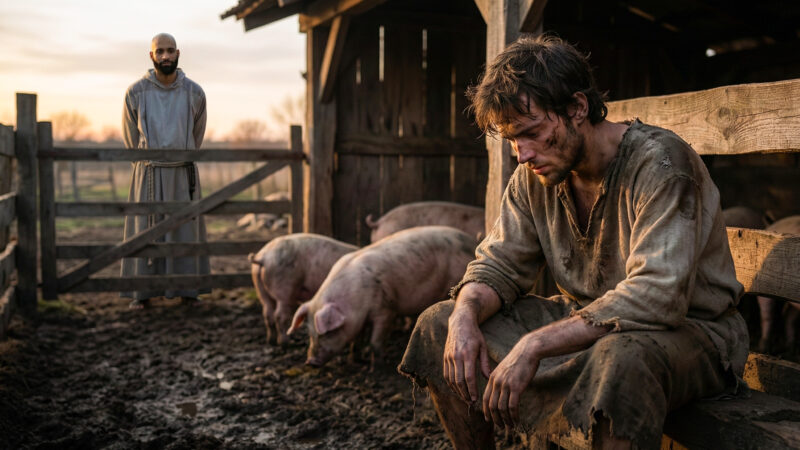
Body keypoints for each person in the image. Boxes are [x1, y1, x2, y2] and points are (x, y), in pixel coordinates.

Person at [398, 35, 749, 449]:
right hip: (589, 327)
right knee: (439, 324)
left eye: (531, 132)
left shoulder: (662, 164)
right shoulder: (534, 178)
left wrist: (535, 344)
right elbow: (498, 265)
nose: (522, 154)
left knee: (620, 361)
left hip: (691, 334)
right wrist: (464, 315)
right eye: (512, 140)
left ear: (577, 108)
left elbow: (658, 296)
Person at [120, 33, 210, 309]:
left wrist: (181, 156)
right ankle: (142, 294)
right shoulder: (135, 93)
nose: (166, 56)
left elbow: (197, 135)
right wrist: (148, 162)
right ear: (152, 55)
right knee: (144, 231)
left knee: (185, 231)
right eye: (160, 51)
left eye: (170, 51)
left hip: (183, 174)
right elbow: (130, 140)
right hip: (148, 173)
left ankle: (187, 290)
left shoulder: (195, 93)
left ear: (178, 53)